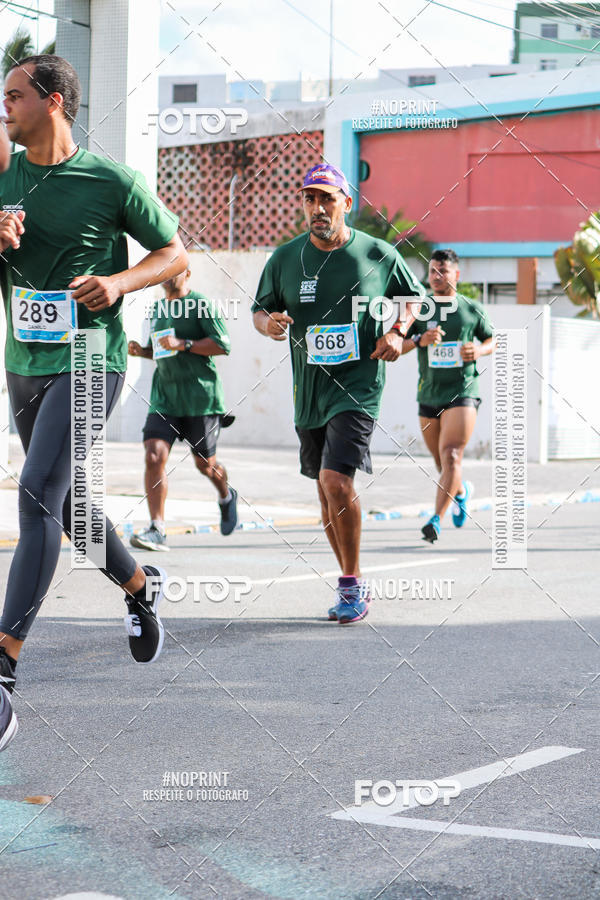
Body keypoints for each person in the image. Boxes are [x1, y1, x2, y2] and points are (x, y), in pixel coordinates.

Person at [0, 55, 188, 751]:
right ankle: (141, 588)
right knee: (72, 506)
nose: (5, 108)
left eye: (14, 96)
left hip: (89, 359)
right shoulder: (2, 181)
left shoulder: (110, 181)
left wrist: (118, 281)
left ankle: (3, 671)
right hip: (24, 362)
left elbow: (174, 254)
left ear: (53, 103)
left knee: (38, 495)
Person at [252, 163, 424, 625]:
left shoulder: (378, 254)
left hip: (358, 386)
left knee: (335, 481)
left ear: (347, 203)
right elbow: (260, 310)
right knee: (325, 491)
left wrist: (397, 330)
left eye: (327, 198)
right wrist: (268, 324)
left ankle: (352, 582)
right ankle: (348, 580)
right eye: (310, 198)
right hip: (308, 390)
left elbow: (415, 299)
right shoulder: (285, 259)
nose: (317, 207)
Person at [127, 268, 237, 549]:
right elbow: (162, 349)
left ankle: (226, 495)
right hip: (165, 398)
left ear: (187, 273)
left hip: (201, 399)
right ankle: (157, 528)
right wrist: (143, 350)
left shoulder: (201, 304)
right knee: (154, 456)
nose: (166, 275)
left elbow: (222, 345)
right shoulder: (158, 308)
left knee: (206, 465)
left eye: (173, 270)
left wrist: (184, 343)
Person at [400, 249, 494, 543]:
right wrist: (418, 340)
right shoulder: (420, 309)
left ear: (457, 274)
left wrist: (478, 349)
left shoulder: (470, 308)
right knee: (442, 463)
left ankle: (435, 521)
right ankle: (462, 491)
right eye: (432, 272)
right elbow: (396, 346)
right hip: (428, 393)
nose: (437, 278)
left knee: (452, 454)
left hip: (463, 391)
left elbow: (493, 339)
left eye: (443, 272)